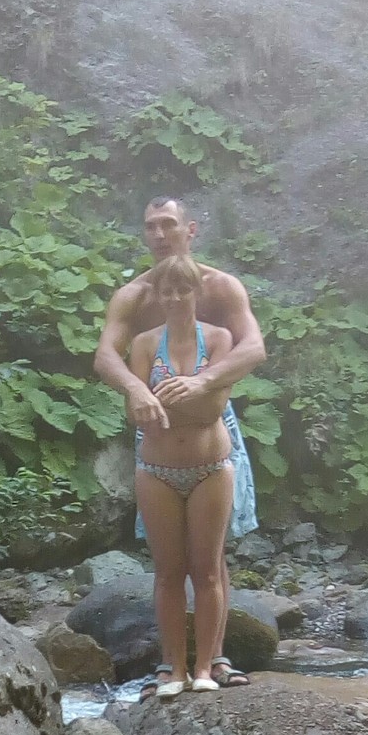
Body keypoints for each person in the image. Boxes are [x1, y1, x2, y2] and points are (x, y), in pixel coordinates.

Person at [96, 200, 265, 683]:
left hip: (214, 420)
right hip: (157, 422)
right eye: (150, 226)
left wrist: (204, 381)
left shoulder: (220, 287)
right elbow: (106, 354)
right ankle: (173, 664)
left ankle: (216, 658)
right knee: (170, 561)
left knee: (211, 554)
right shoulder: (136, 295)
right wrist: (133, 386)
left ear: (190, 229)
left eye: (168, 224)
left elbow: (253, 346)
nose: (160, 234)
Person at [128, 255, 239, 696]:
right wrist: (177, 398)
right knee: (168, 572)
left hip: (210, 468)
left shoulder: (219, 338)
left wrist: (165, 401)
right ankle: (174, 670)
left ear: (198, 293)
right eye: (167, 291)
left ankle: (206, 669)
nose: (175, 298)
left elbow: (214, 408)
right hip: (156, 470)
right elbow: (138, 414)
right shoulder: (142, 344)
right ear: (158, 296)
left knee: (207, 570)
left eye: (183, 289)